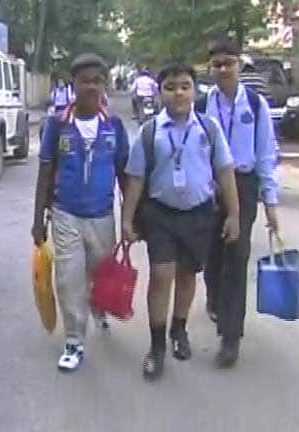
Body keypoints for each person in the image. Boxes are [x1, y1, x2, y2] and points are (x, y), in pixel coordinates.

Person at [122, 62, 239, 380]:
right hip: (160, 214)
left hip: (200, 213)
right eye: (171, 86)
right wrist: (127, 220)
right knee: (161, 276)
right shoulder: (150, 132)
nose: (178, 93)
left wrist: (234, 214)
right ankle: (156, 348)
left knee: (188, 276)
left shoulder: (208, 128)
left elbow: (225, 173)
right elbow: (135, 179)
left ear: (194, 89)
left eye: (185, 86)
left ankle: (179, 329)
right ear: (159, 92)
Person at [32, 53, 129, 372]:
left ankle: (98, 308)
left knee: (98, 273)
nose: (90, 86)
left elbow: (125, 174)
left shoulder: (113, 126)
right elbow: (45, 172)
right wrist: (37, 220)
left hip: (102, 214)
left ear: (105, 85)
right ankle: (74, 340)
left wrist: (130, 217)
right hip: (65, 213)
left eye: (97, 81)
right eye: (84, 81)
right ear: (73, 85)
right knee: (68, 276)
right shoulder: (57, 124)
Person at [202, 38, 280, 368]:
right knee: (211, 254)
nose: (223, 69)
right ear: (211, 69)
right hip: (210, 185)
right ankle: (215, 299)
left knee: (237, 255)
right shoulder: (202, 103)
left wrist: (271, 203)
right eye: (217, 64)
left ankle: (231, 338)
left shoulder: (255, 104)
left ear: (239, 64)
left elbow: (266, 154)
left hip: (244, 184)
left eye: (228, 63)